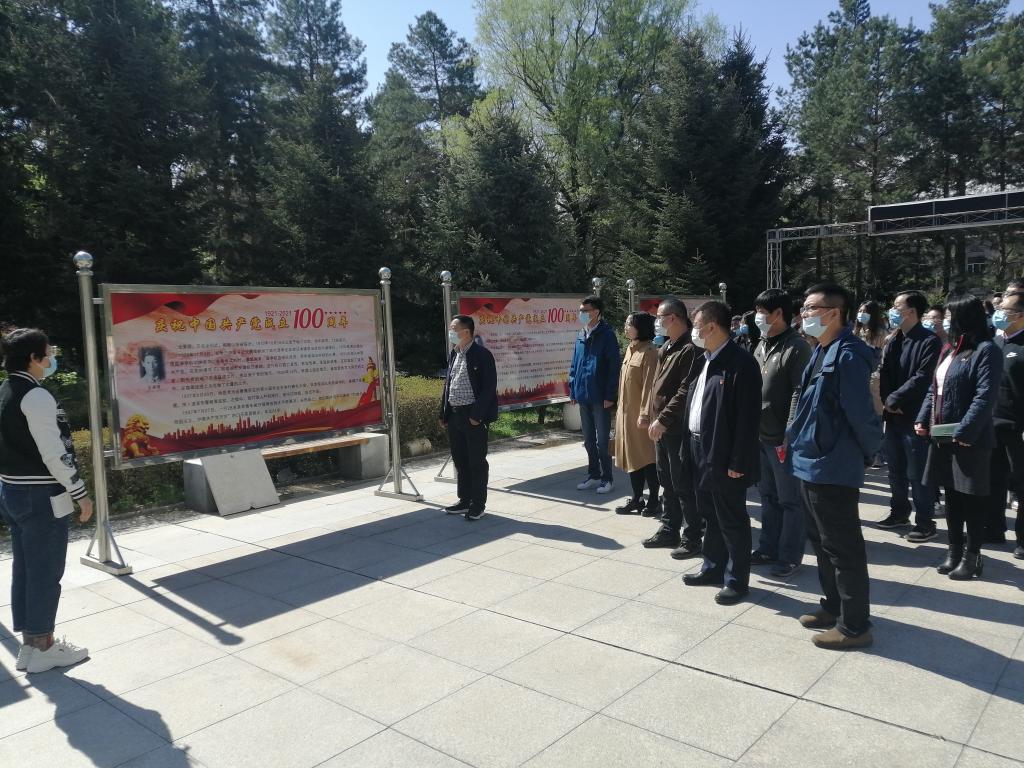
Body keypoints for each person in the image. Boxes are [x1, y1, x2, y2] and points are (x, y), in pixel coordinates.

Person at [787, 283, 882, 650]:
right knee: (822, 543)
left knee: (843, 547)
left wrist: (869, 453)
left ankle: (855, 626)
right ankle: (834, 606)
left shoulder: (849, 355)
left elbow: (861, 413)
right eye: (804, 308)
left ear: (834, 313)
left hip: (833, 465)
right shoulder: (821, 349)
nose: (804, 314)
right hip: (810, 460)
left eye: (811, 308)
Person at [0, 328, 94, 673]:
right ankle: (44, 646)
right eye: (48, 352)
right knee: (45, 571)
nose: (51, 357)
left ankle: (30, 645)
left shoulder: (5, 390)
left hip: (11, 490)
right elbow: (54, 453)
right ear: (34, 358)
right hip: (40, 494)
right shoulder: (36, 396)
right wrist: (80, 493)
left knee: (26, 567)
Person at [679, 301, 762, 605]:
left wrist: (738, 460)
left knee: (732, 518)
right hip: (698, 445)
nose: (694, 331)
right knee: (710, 513)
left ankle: (737, 581)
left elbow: (747, 419)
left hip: (724, 453)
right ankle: (712, 567)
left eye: (697, 325)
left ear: (712, 326)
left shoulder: (741, 363)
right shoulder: (705, 359)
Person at [915, 296, 1002, 580]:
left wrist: (966, 431)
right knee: (952, 496)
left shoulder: (986, 350)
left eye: (950, 316)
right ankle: (953, 551)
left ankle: (972, 556)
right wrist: (923, 418)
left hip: (969, 439)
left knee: (971, 498)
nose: (945, 321)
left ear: (966, 317)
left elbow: (985, 396)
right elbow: (934, 390)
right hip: (942, 436)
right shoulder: (949, 349)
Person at [751, 289, 812, 578]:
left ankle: (789, 556)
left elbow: (800, 391)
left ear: (778, 314)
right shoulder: (761, 344)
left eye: (762, 312)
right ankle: (767, 547)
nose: (757, 317)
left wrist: (790, 430)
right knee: (767, 495)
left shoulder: (797, 347)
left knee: (790, 500)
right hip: (760, 434)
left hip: (782, 437)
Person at [878, 290, 941, 541]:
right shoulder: (893, 340)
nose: (893, 310)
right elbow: (884, 372)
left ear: (912, 311)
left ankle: (925, 522)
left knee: (917, 473)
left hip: (914, 416)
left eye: (897, 306)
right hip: (893, 415)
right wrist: (887, 400)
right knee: (895, 470)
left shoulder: (929, 341)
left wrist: (895, 399)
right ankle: (899, 512)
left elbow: (923, 377)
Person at [643, 299, 704, 556]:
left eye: (660, 316)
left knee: (683, 483)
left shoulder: (691, 348)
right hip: (662, 426)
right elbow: (657, 386)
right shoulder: (667, 346)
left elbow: (684, 391)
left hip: (677, 427)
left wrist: (663, 419)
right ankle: (670, 529)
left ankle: (692, 536)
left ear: (674, 318)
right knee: (666, 479)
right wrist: (648, 414)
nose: (657, 321)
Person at [439, 315, 498, 520]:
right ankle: (464, 500)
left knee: (476, 462)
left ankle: (478, 504)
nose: (450, 332)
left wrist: (477, 416)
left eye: (453, 329)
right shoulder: (454, 354)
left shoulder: (482, 355)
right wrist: (443, 413)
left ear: (466, 332)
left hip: (472, 416)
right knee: (460, 461)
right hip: (455, 415)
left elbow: (489, 388)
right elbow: (448, 384)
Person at [985, 292, 1024, 556]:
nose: (999, 313)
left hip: (1017, 428)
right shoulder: (997, 342)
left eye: (1006, 310)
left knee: (1021, 483)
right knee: (993, 480)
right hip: (993, 425)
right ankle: (994, 528)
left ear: (1020, 315)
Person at [569, 296, 620, 494]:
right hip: (583, 395)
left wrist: (610, 395)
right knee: (588, 440)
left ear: (596, 312)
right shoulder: (581, 334)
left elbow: (613, 367)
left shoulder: (607, 335)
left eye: (585, 310)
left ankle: (607, 478)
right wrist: (573, 389)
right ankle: (594, 474)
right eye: (580, 310)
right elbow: (574, 365)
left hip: (600, 397)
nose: (581, 314)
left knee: (602, 442)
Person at [613, 312, 660, 515]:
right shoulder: (630, 349)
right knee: (632, 457)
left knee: (647, 458)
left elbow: (650, 386)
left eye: (629, 324)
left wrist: (645, 414)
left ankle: (654, 500)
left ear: (640, 327)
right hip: (625, 415)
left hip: (641, 417)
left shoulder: (650, 352)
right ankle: (637, 498)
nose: (625, 327)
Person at [855, 301, 887, 459]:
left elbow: (883, 357)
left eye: (865, 311)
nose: (861, 314)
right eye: (860, 310)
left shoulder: (881, 333)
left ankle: (878, 454)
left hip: (875, 379)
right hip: (859, 377)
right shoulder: (857, 330)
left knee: (876, 416)